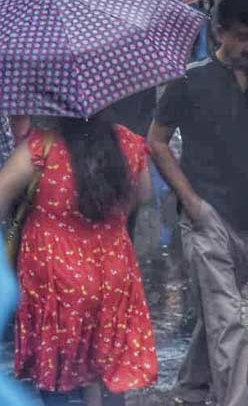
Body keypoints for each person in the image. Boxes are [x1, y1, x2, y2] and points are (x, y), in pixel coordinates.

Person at [148, 0, 248, 406]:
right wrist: (193, 204)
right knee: (230, 319)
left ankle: (191, 388)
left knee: (220, 313)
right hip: (208, 215)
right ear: (218, 31)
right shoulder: (188, 79)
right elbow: (157, 143)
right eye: (243, 37)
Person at [0, 116, 157, 406]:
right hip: (112, 270)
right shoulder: (129, 142)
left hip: (55, 275)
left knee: (58, 367)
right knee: (105, 358)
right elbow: (145, 195)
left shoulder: (41, 147)